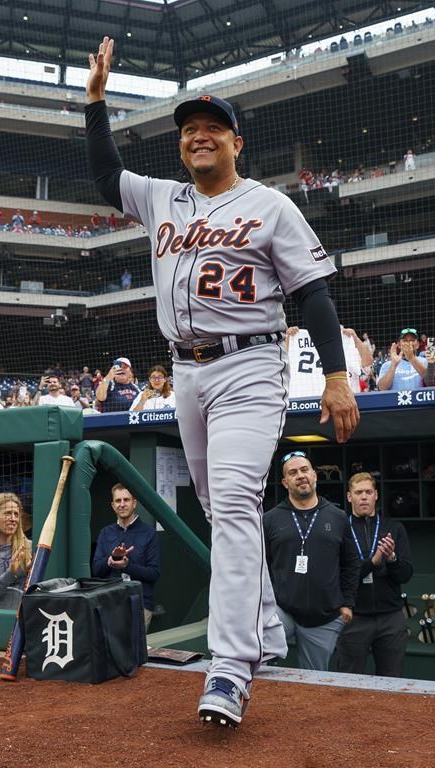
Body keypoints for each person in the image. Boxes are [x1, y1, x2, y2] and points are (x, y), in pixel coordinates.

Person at [85, 36, 359, 728]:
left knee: (235, 503)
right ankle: (265, 625)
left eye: (211, 127)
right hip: (185, 372)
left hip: (248, 366)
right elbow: (104, 175)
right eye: (188, 130)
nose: (198, 136)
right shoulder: (162, 199)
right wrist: (95, 104)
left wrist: (335, 377)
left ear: (236, 140)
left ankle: (230, 669)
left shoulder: (270, 205)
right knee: (217, 508)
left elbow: (316, 295)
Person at [264, 452, 360, 671]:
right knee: (256, 657)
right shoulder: (270, 519)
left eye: (305, 470)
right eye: (293, 472)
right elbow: (260, 565)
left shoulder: (337, 517)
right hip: (281, 610)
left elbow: (351, 563)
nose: (300, 476)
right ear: (285, 482)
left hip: (323, 618)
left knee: (313, 682)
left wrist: (348, 603)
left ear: (315, 476)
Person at [337, 472, 413, 677]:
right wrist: (372, 562)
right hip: (354, 617)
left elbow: (405, 575)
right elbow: (340, 576)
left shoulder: (394, 529)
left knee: (392, 681)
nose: (364, 497)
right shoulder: (340, 529)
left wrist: (392, 559)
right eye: (358, 492)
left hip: (391, 617)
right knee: (348, 680)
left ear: (376, 495)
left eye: (368, 492)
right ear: (349, 496)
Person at [92, 484, 160, 631]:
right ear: (112, 505)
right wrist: (109, 561)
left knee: (134, 652)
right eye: (118, 501)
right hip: (110, 603)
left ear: (134, 503)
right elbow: (96, 569)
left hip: (140, 605)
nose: (122, 504)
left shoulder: (149, 534)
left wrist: (127, 566)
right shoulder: (105, 533)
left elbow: (154, 574)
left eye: (126, 500)